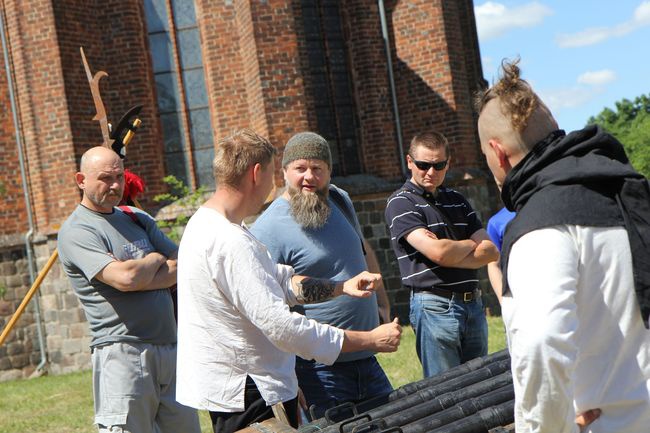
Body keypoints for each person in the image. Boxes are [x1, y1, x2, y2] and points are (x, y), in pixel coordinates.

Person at [175, 129, 402, 433]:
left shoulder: (206, 225)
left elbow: (280, 281)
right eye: (272, 174)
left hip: (244, 386)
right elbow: (282, 327)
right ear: (257, 173)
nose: (272, 186)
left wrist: (340, 287)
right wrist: (368, 340)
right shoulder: (229, 240)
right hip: (251, 390)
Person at [475, 59, 650, 433]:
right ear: (554, 127)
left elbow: (542, 341)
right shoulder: (633, 192)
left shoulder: (539, 226)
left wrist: (550, 428)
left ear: (498, 153)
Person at [57, 146, 200, 433]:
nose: (114, 185)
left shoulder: (136, 217)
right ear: (80, 180)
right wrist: (155, 259)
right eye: (104, 178)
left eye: (119, 177)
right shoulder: (78, 231)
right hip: (122, 353)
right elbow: (125, 279)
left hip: (171, 349)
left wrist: (143, 270)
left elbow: (185, 266)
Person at [251, 132, 393, 419]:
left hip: (367, 359)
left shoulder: (340, 200)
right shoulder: (266, 229)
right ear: (284, 171)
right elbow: (266, 308)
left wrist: (383, 303)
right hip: (318, 372)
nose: (309, 177)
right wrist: (287, 376)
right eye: (300, 168)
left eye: (318, 168)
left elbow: (362, 248)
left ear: (329, 171)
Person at [384, 132, 499, 378]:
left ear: (448, 163)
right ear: (409, 162)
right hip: (435, 306)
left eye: (439, 165)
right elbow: (438, 253)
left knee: (481, 385)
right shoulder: (401, 203)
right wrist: (470, 243)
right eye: (423, 165)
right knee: (446, 393)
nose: (430, 172)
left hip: (473, 305)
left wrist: (452, 248)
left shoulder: (456, 199)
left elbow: (490, 251)